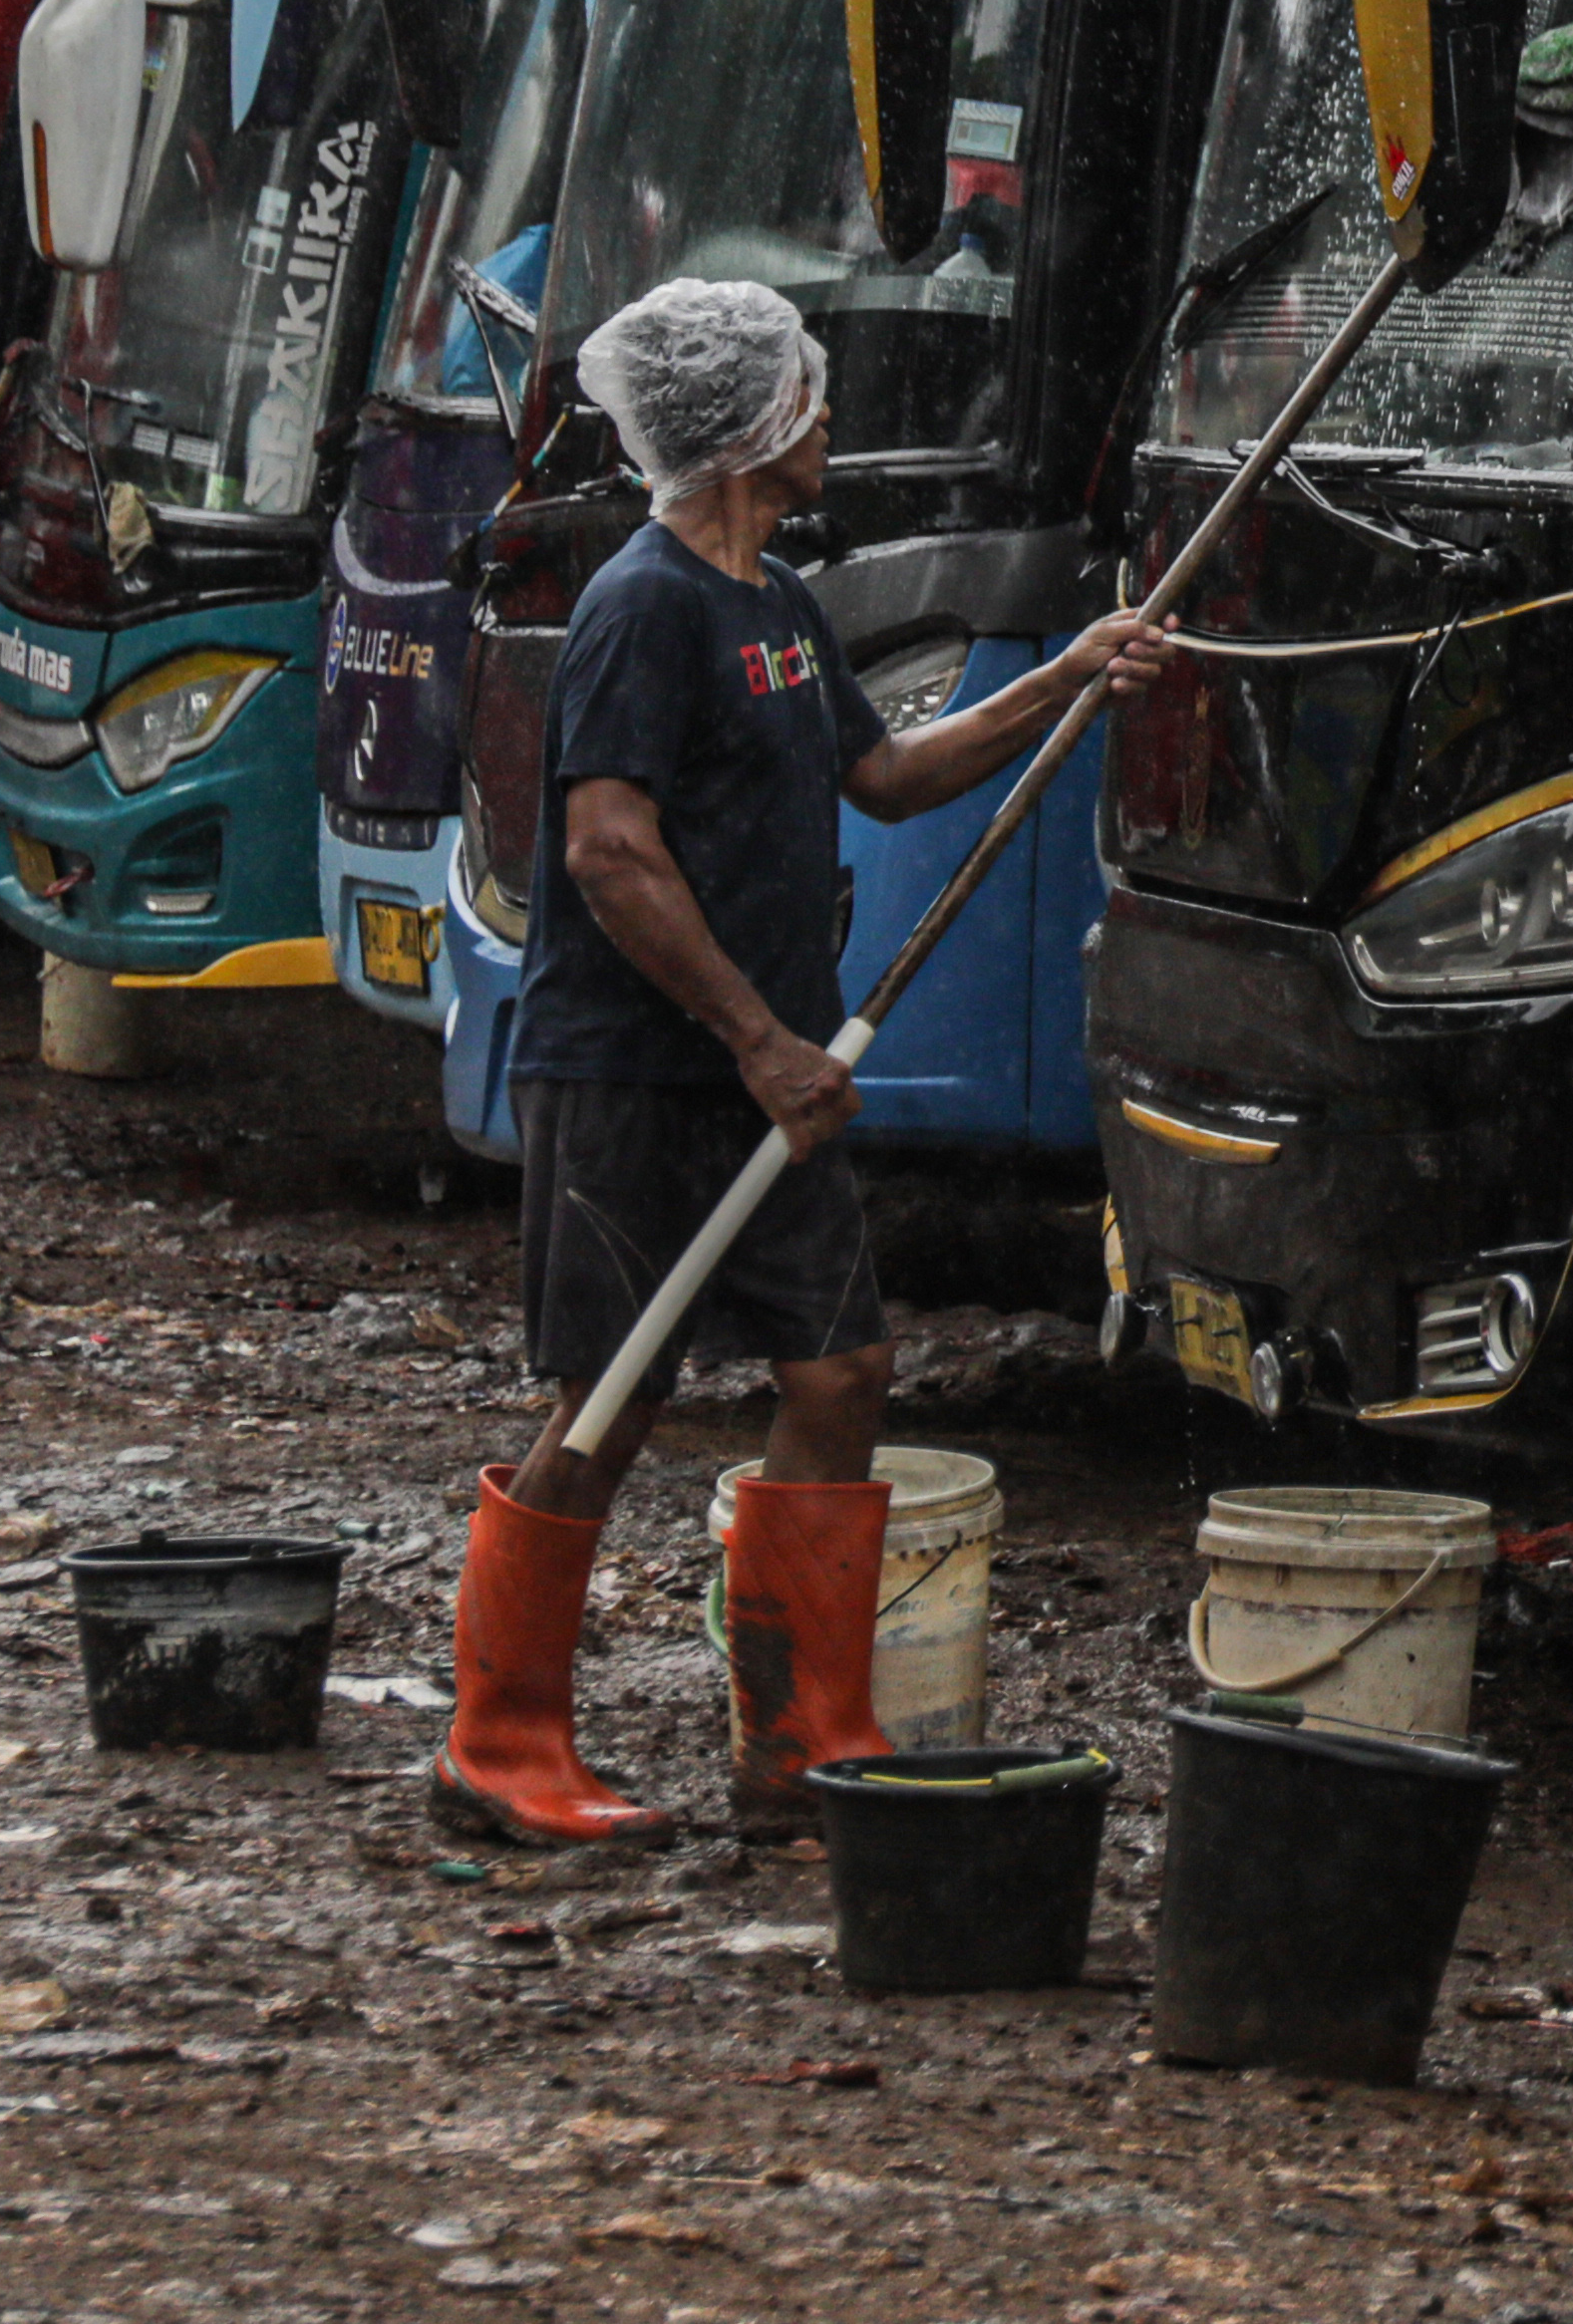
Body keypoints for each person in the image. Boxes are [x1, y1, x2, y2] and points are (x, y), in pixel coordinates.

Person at [427, 278, 1172, 1849]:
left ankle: (801, 1741)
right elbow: (611, 854)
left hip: (770, 1079)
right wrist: (758, 1038)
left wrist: (1065, 680)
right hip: (638, 1075)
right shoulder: (644, 607)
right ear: (746, 425)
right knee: (608, 1400)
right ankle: (498, 1741)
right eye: (811, 398)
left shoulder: (776, 605)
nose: (833, 420)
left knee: (841, 1374)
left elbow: (887, 776)